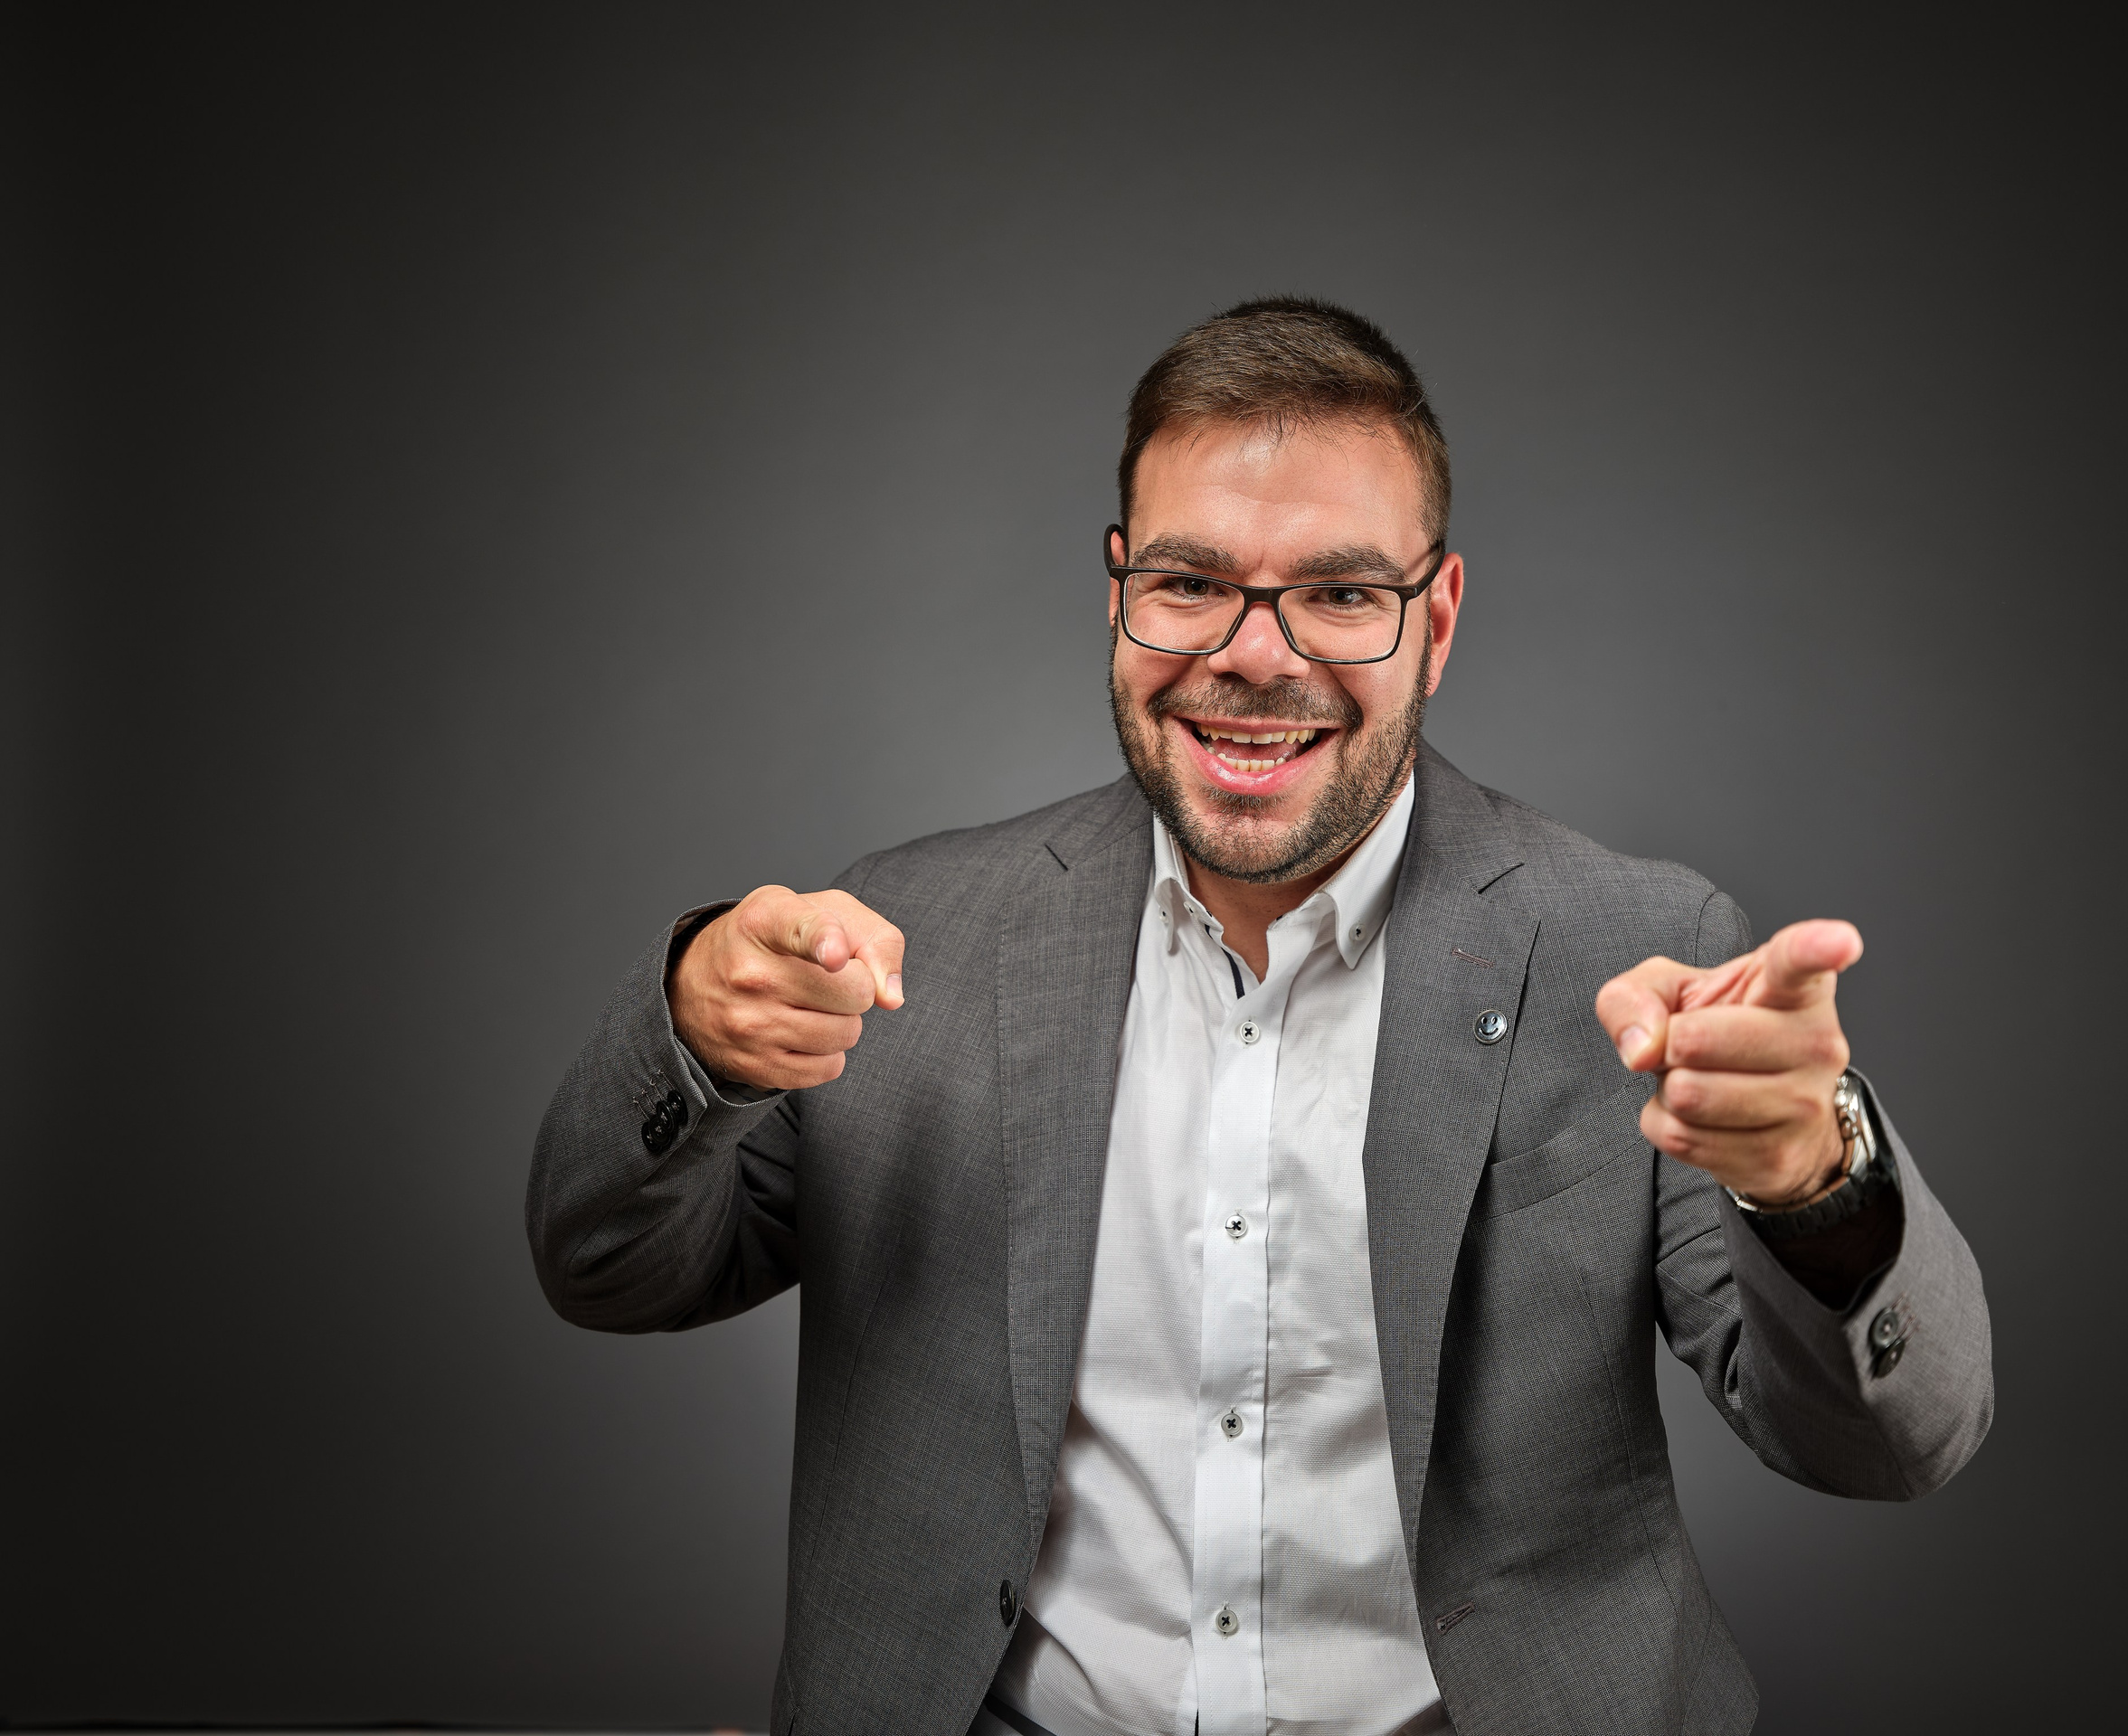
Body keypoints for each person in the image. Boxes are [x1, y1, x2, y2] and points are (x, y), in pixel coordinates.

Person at [526, 298, 1993, 1736]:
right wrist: (696, 1040)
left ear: (1438, 621)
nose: (1255, 654)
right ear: (1116, 591)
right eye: (1189, 583)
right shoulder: (914, 942)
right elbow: (604, 1265)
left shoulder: (1642, 947)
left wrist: (1816, 1181)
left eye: (1343, 595)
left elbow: (1887, 1439)